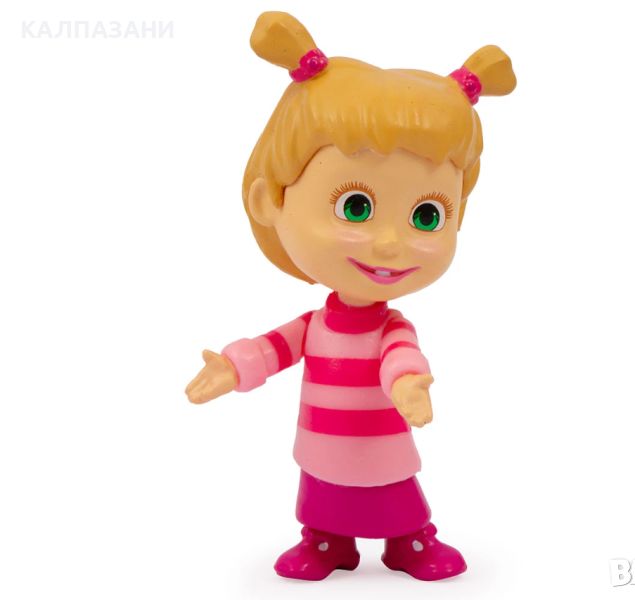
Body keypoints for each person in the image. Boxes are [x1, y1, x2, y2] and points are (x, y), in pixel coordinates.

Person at [186, 11, 516, 581]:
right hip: (322, 445)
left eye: (426, 216)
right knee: (321, 491)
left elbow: (400, 356)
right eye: (356, 207)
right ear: (271, 201)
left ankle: (409, 541)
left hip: (380, 442)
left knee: (393, 491)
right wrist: (234, 367)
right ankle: (325, 541)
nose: (390, 244)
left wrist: (407, 385)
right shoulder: (315, 324)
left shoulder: (391, 327)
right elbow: (274, 348)